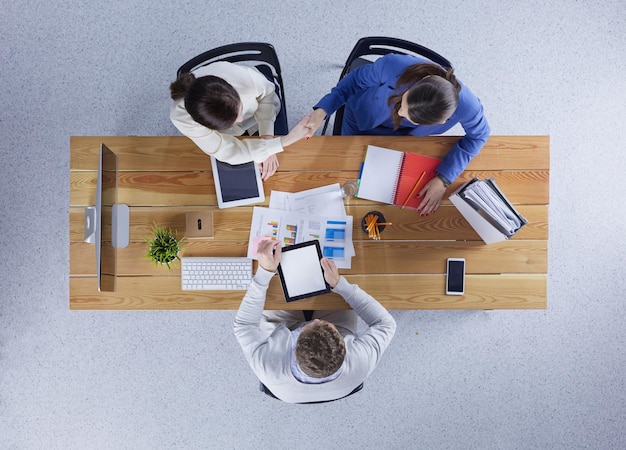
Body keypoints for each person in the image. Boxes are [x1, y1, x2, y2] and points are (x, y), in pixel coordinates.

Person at [305, 53, 490, 215]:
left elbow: (479, 135)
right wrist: (322, 111)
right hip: (361, 120)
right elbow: (351, 83)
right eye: (403, 103)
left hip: (406, 138)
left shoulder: (469, 107)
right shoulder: (392, 66)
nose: (400, 112)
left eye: (409, 115)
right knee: (346, 167)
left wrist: (443, 179)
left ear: (441, 122)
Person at [233, 240, 397, 404]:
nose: (316, 319)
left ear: (295, 354)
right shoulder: (360, 360)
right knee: (336, 294)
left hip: (284, 330)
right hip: (332, 341)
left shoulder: (268, 365)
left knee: (274, 294)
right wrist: (341, 285)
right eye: (325, 324)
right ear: (344, 349)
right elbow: (386, 324)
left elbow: (244, 325)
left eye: (312, 324)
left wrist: (264, 273)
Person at [170, 61, 311, 180]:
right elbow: (226, 151)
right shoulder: (182, 118)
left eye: (240, 109)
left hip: (263, 111)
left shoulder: (246, 79)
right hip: (230, 136)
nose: (241, 118)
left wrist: (267, 140)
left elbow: (267, 95)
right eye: (232, 121)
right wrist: (282, 142)